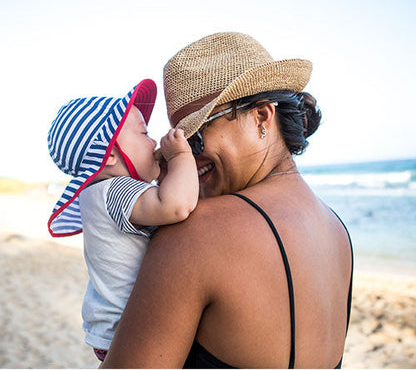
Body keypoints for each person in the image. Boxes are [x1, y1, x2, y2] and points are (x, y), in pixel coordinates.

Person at [101, 32, 354, 369]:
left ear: (262, 117)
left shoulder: (198, 234)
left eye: (195, 135)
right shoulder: (337, 229)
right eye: (179, 139)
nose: (187, 155)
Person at [47, 79, 198, 361]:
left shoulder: (98, 194)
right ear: (110, 155)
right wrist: (180, 156)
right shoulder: (116, 190)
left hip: (109, 330)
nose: (153, 141)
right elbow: (177, 206)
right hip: (127, 329)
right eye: (143, 133)